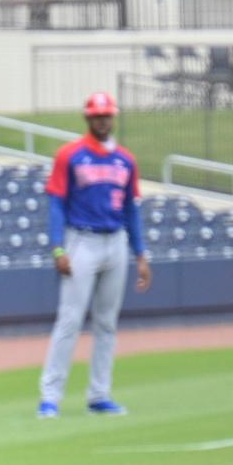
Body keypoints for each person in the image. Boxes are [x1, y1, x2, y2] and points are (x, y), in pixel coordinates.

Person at [37, 92, 152, 418]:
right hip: (81, 240)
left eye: (107, 115)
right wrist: (58, 247)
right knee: (70, 320)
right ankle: (50, 397)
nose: (103, 120)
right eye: (98, 116)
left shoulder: (125, 160)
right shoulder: (71, 155)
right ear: (88, 119)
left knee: (107, 322)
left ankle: (99, 394)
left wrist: (140, 254)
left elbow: (132, 209)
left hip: (115, 241)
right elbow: (57, 203)